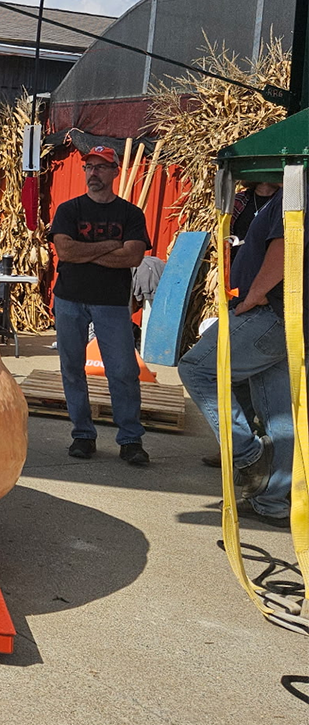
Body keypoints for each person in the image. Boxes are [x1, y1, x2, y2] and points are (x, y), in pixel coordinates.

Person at [177, 184, 292, 524]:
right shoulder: (284, 194)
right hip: (284, 317)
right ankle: (271, 502)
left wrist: (255, 295)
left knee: (197, 369)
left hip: (269, 313)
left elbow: (284, 247)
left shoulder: (296, 190)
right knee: (280, 417)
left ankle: (247, 453)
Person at [49, 145, 152, 466]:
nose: (93, 173)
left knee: (123, 370)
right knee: (71, 368)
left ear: (114, 172)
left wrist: (87, 250)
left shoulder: (130, 214)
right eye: (88, 167)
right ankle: (82, 434)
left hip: (111, 303)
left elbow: (134, 255)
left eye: (100, 167)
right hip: (69, 299)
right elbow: (65, 252)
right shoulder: (68, 210)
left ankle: (130, 439)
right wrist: (110, 246)